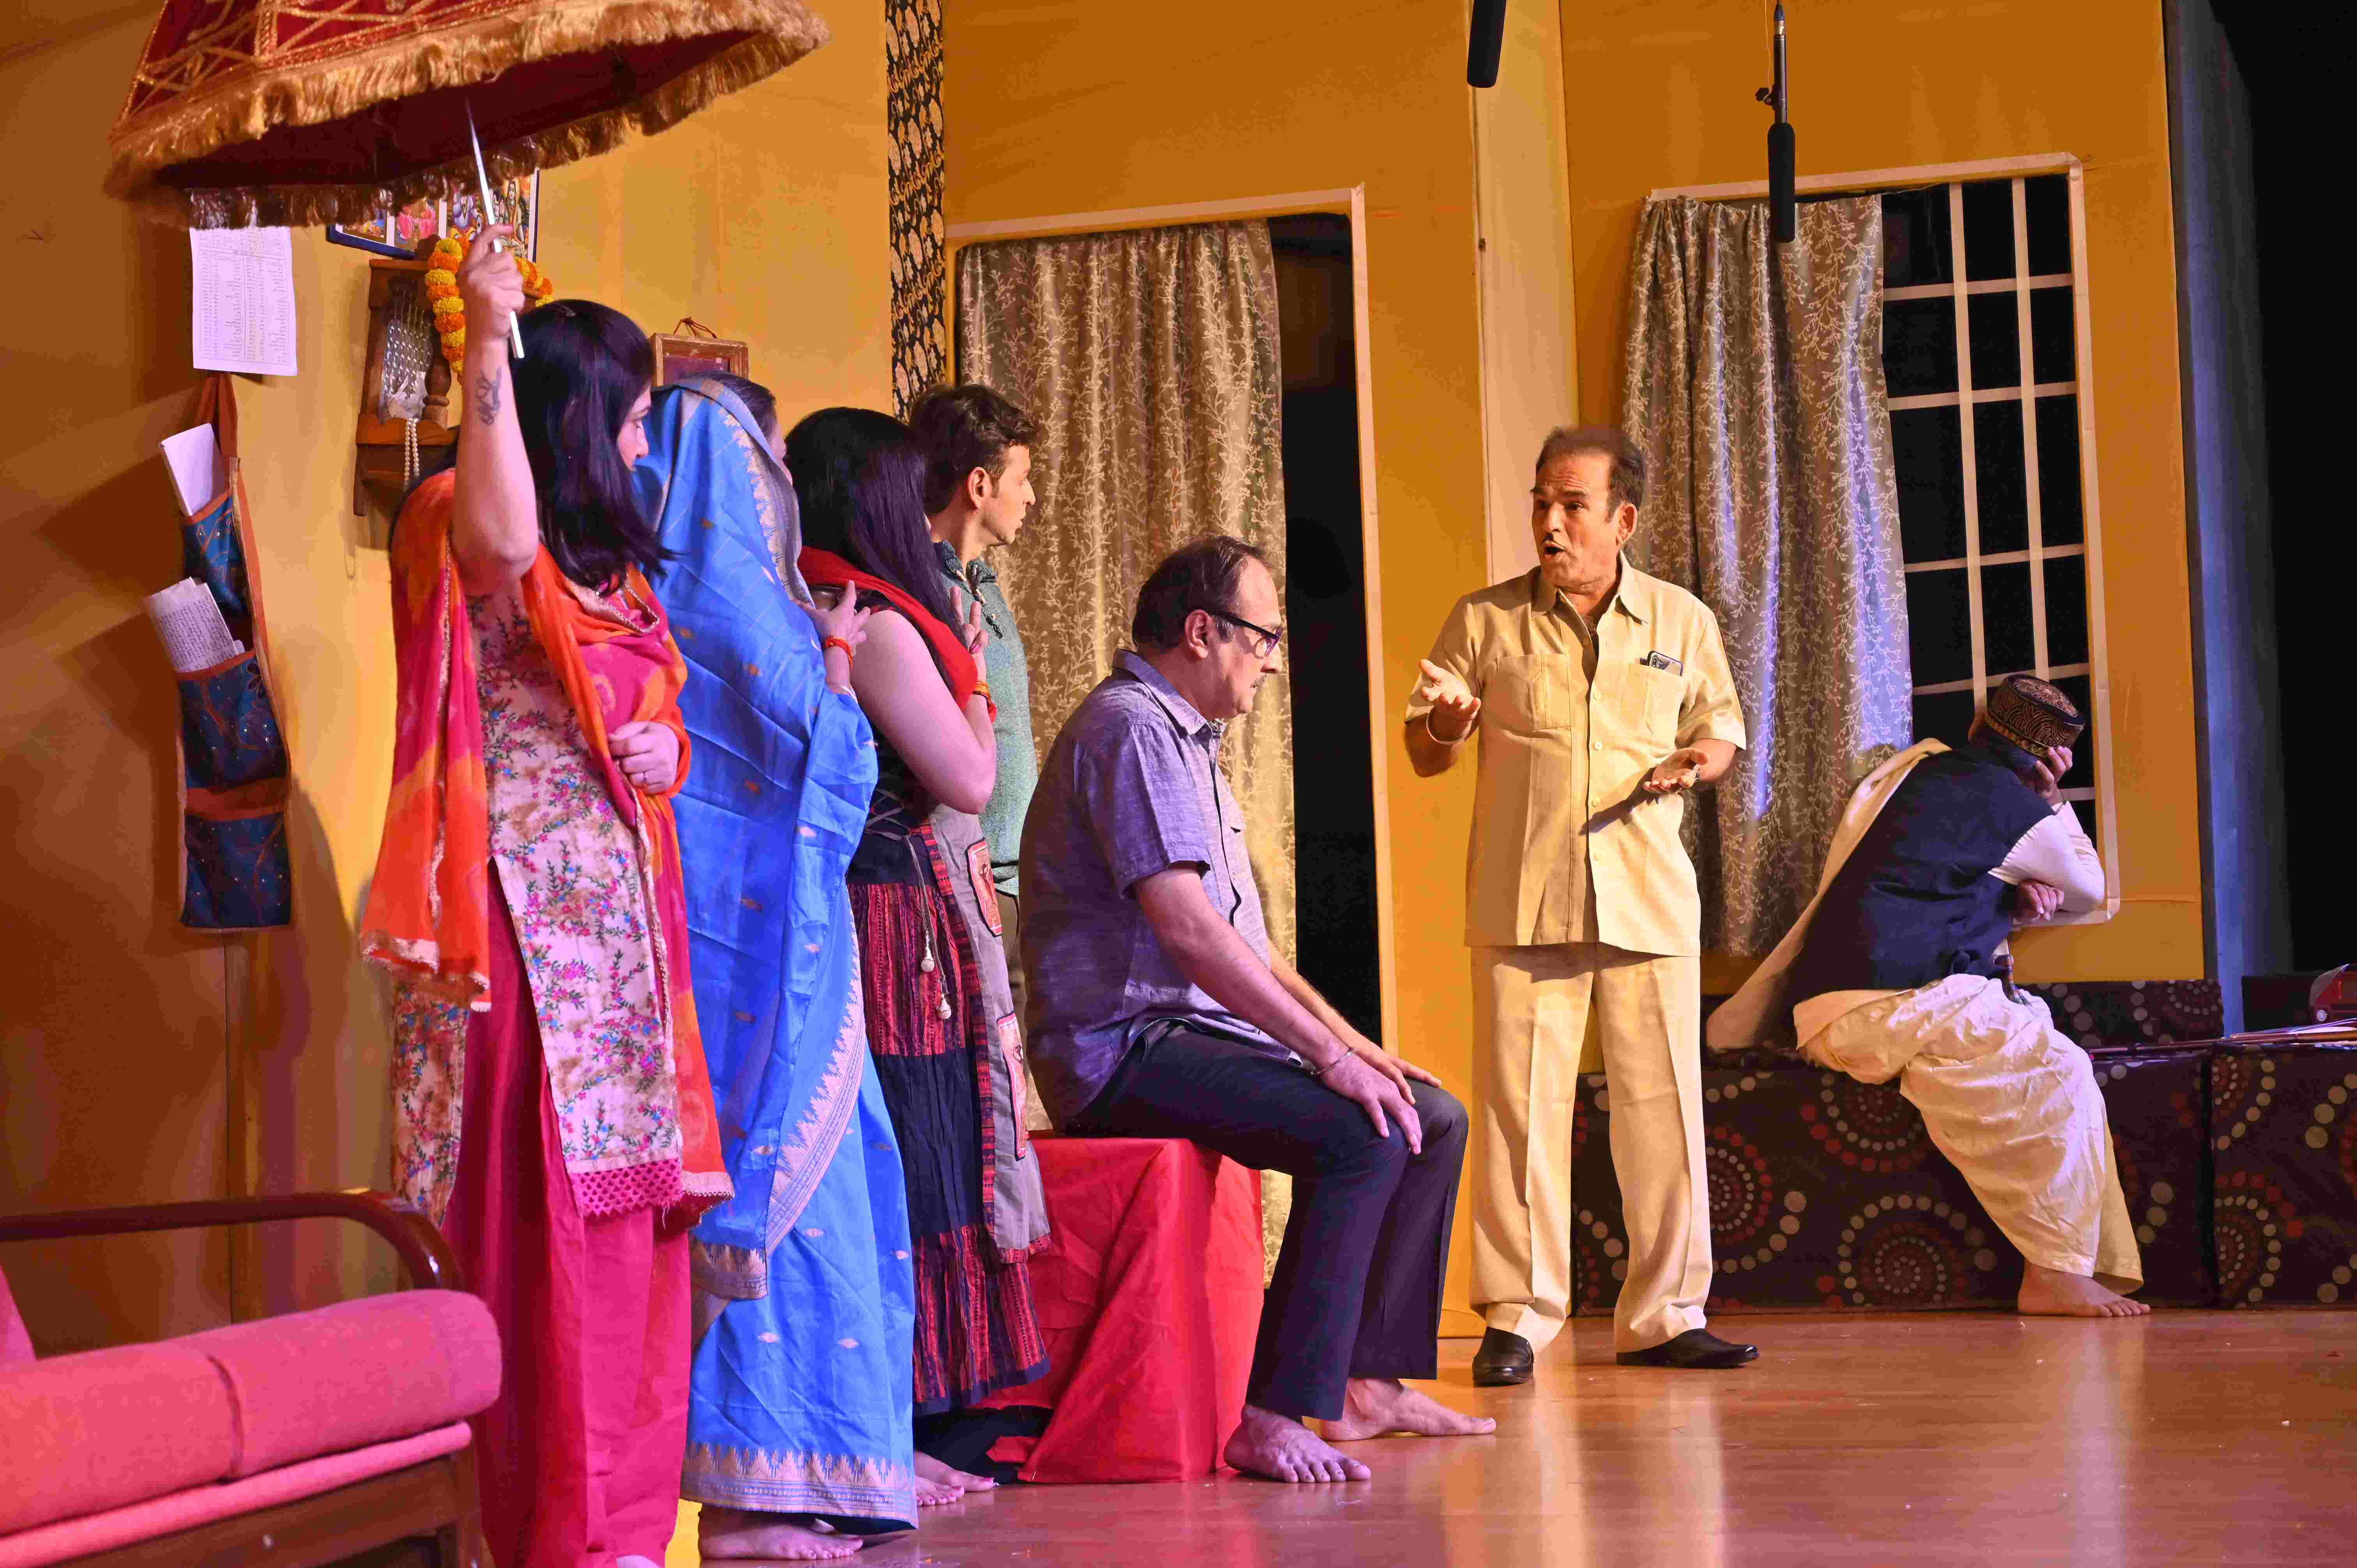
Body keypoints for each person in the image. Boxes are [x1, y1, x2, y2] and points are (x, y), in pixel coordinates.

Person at [358, 235, 726, 1568]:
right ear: (571, 417)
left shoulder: (616, 576)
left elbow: (662, 705)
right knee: (534, 1229)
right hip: (508, 929)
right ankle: (532, 1530)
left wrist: (665, 749)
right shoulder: (450, 516)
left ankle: (620, 1527)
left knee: (626, 1232)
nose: (638, 448)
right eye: (628, 419)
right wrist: (482, 334)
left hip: (621, 939)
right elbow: (502, 538)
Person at [1022, 535, 1495, 1486]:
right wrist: (1331, 1062)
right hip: (1121, 1049)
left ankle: (1365, 1383)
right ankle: (1271, 1413)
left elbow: (1252, 946)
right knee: (1360, 1132)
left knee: (1430, 1113)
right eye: (1265, 636)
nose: (1274, 660)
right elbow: (1190, 934)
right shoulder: (1132, 728)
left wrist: (1359, 1046)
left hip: (1187, 1032)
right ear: (1203, 631)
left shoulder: (1190, 740)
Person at [636, 376, 943, 1563]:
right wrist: (835, 663)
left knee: (805, 1194)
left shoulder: (658, 603)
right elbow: (839, 767)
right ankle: (758, 1495)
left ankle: (788, 1483)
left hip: (731, 959)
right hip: (780, 968)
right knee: (801, 1205)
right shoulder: (753, 616)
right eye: (765, 460)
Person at [1406, 425, 1756, 1384]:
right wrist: (1449, 723)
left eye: (1572, 506)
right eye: (1540, 504)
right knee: (1519, 1114)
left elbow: (1721, 727)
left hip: (1647, 895)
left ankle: (1667, 1313)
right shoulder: (1484, 620)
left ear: (1622, 518)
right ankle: (1518, 1316)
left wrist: (1696, 762)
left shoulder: (1681, 619)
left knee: (1664, 1110)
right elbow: (1425, 746)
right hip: (1524, 902)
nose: (1550, 524)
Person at [786, 407, 1052, 1495]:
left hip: (881, 901)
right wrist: (976, 685)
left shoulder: (822, 598)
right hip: (892, 908)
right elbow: (970, 780)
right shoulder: (877, 618)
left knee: (920, 1141)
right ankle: (912, 1416)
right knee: (926, 1145)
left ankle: (917, 1418)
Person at [1709, 676, 2147, 1317]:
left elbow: (1932, 883)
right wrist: (2052, 801)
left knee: (2026, 1046)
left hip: (1839, 1010)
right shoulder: (2016, 806)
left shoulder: (1920, 776)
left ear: (1977, 727)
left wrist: (2007, 901)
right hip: (1880, 1006)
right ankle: (2053, 1272)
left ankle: (2067, 1264)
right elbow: (2087, 888)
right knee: (2062, 1068)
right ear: (2050, 761)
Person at [909, 384, 1041, 1047]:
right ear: (980, 485)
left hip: (1016, 876)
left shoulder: (984, 583)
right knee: (983, 1052)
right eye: (1022, 479)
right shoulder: (918, 588)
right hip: (959, 873)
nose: (1032, 497)